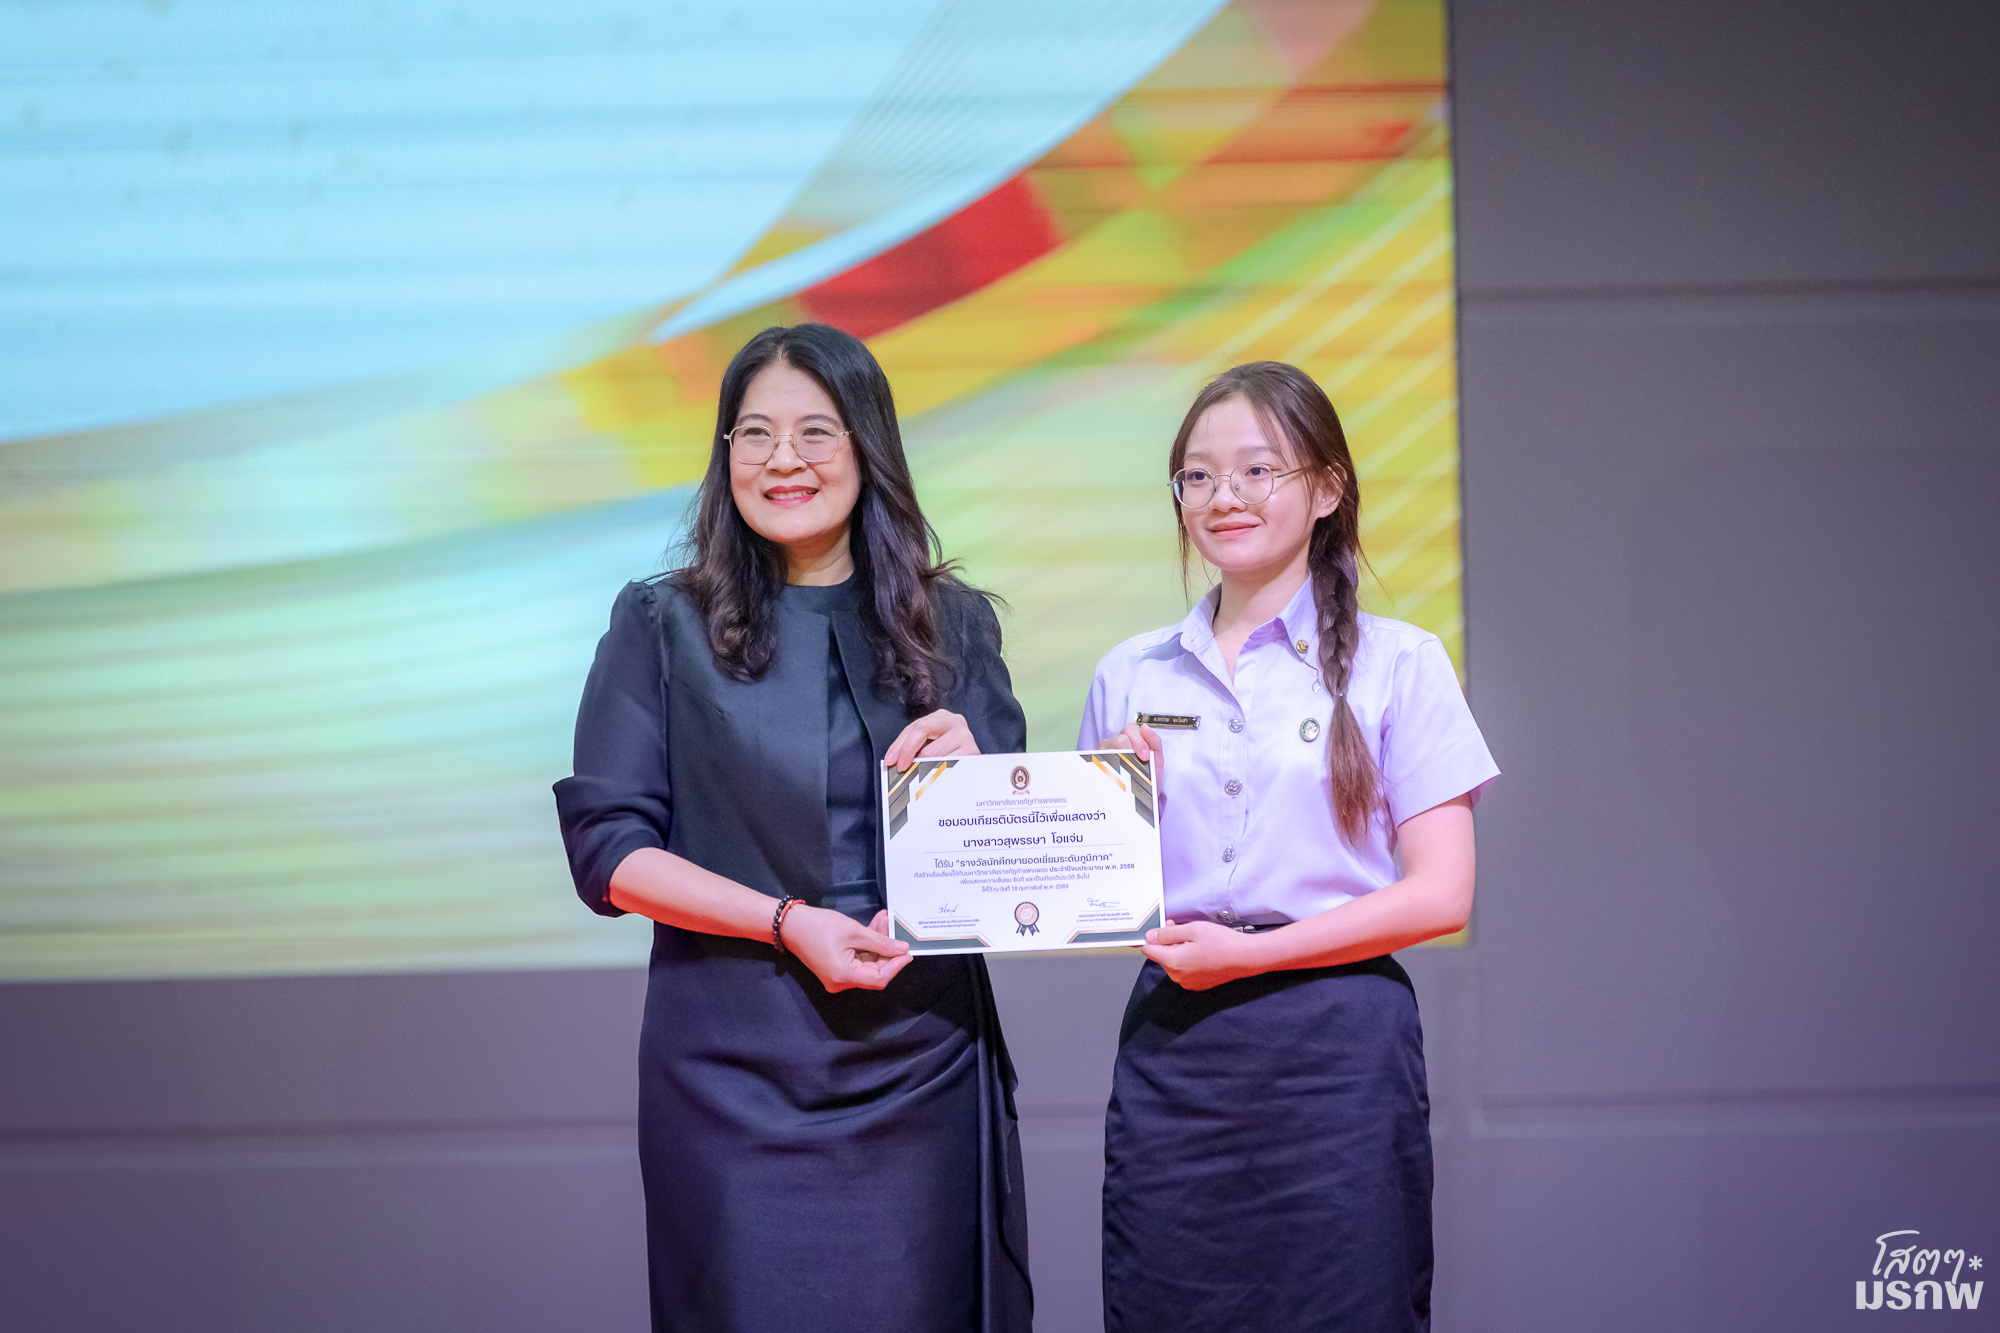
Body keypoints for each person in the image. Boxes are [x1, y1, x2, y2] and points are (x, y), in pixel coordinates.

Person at [553, 323, 1033, 1333]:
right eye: (754, 434)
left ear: (867, 444)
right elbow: (610, 851)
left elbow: (1014, 865)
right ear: (724, 451)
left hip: (919, 1056)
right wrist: (785, 921)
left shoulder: (954, 625)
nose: (783, 459)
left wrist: (982, 776)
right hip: (731, 1069)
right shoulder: (660, 622)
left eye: (815, 431)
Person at [1079, 362, 1497, 1332]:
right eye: (1197, 475)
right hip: (1177, 1045)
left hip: (1336, 1046)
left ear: (1326, 488)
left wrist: (1251, 954)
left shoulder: (1400, 662)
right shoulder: (1129, 674)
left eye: (1257, 469)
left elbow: (1441, 895)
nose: (1223, 495)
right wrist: (1102, 797)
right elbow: (1094, 892)